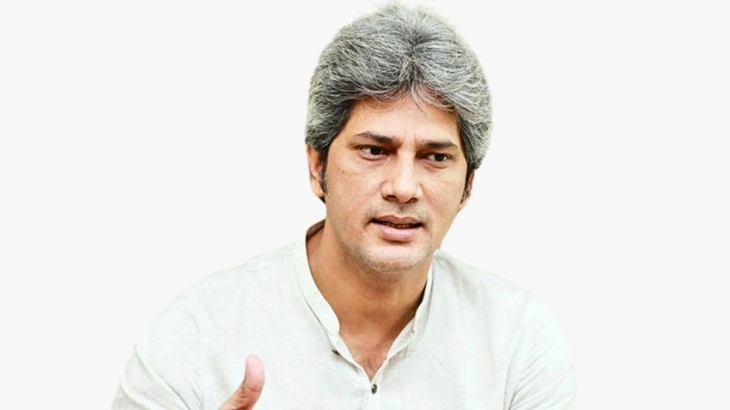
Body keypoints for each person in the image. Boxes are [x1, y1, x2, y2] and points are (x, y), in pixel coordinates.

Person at [112, 4, 576, 409]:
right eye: (374, 150)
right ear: (318, 166)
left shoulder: (518, 341)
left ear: (468, 185)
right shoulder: (193, 339)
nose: (403, 187)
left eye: (435, 157)